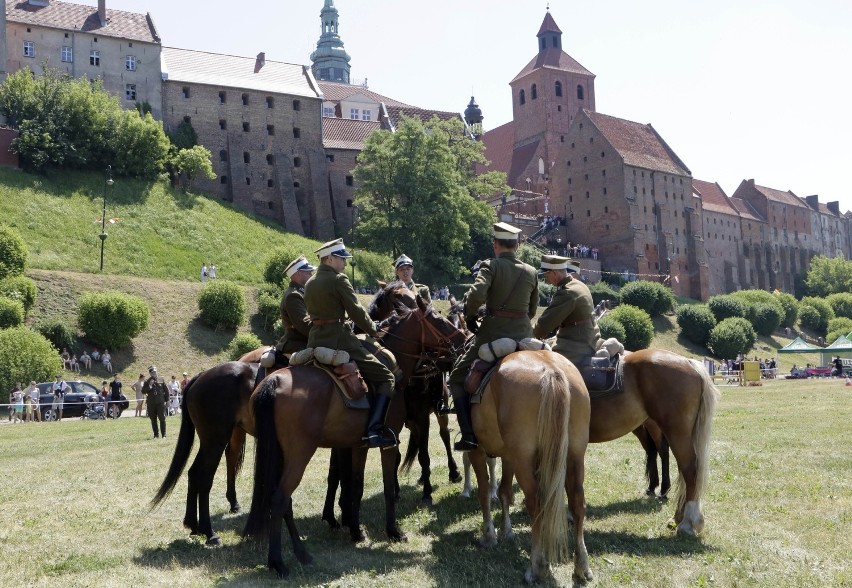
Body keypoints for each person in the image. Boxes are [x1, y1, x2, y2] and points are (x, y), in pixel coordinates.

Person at [448, 222, 539, 451]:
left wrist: (469, 315)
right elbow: (532, 310)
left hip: (492, 333)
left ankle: (468, 436)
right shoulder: (531, 271)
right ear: (517, 246)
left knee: (457, 378)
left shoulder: (490, 266)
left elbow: (477, 294)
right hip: (525, 335)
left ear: (495, 245)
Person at [304, 238, 397, 448]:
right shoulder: (339, 280)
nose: (345, 263)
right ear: (328, 258)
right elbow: (356, 311)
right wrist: (374, 329)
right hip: (340, 340)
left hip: (314, 340)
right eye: (341, 258)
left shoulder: (309, 282)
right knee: (387, 377)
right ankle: (374, 431)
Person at [533, 255, 604, 366]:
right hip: (589, 338)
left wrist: (525, 336)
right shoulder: (579, 285)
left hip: (576, 345)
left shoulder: (566, 293)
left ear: (555, 273)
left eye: (547, 274)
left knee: (543, 363)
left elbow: (543, 327)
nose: (546, 278)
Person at [273, 256, 316, 364]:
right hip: (297, 344)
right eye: (308, 272)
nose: (311, 275)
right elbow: (305, 326)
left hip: (305, 342)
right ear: (298, 274)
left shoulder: (302, 293)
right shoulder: (293, 295)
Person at [142, 366, 168, 438]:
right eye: (152, 372)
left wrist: (167, 401)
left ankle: (164, 435)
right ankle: (156, 435)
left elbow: (166, 391)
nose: (154, 373)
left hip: (160, 403)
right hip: (151, 403)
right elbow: (143, 391)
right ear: (150, 373)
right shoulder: (147, 381)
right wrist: (150, 386)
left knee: (162, 418)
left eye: (155, 372)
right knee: (153, 419)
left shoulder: (161, 379)